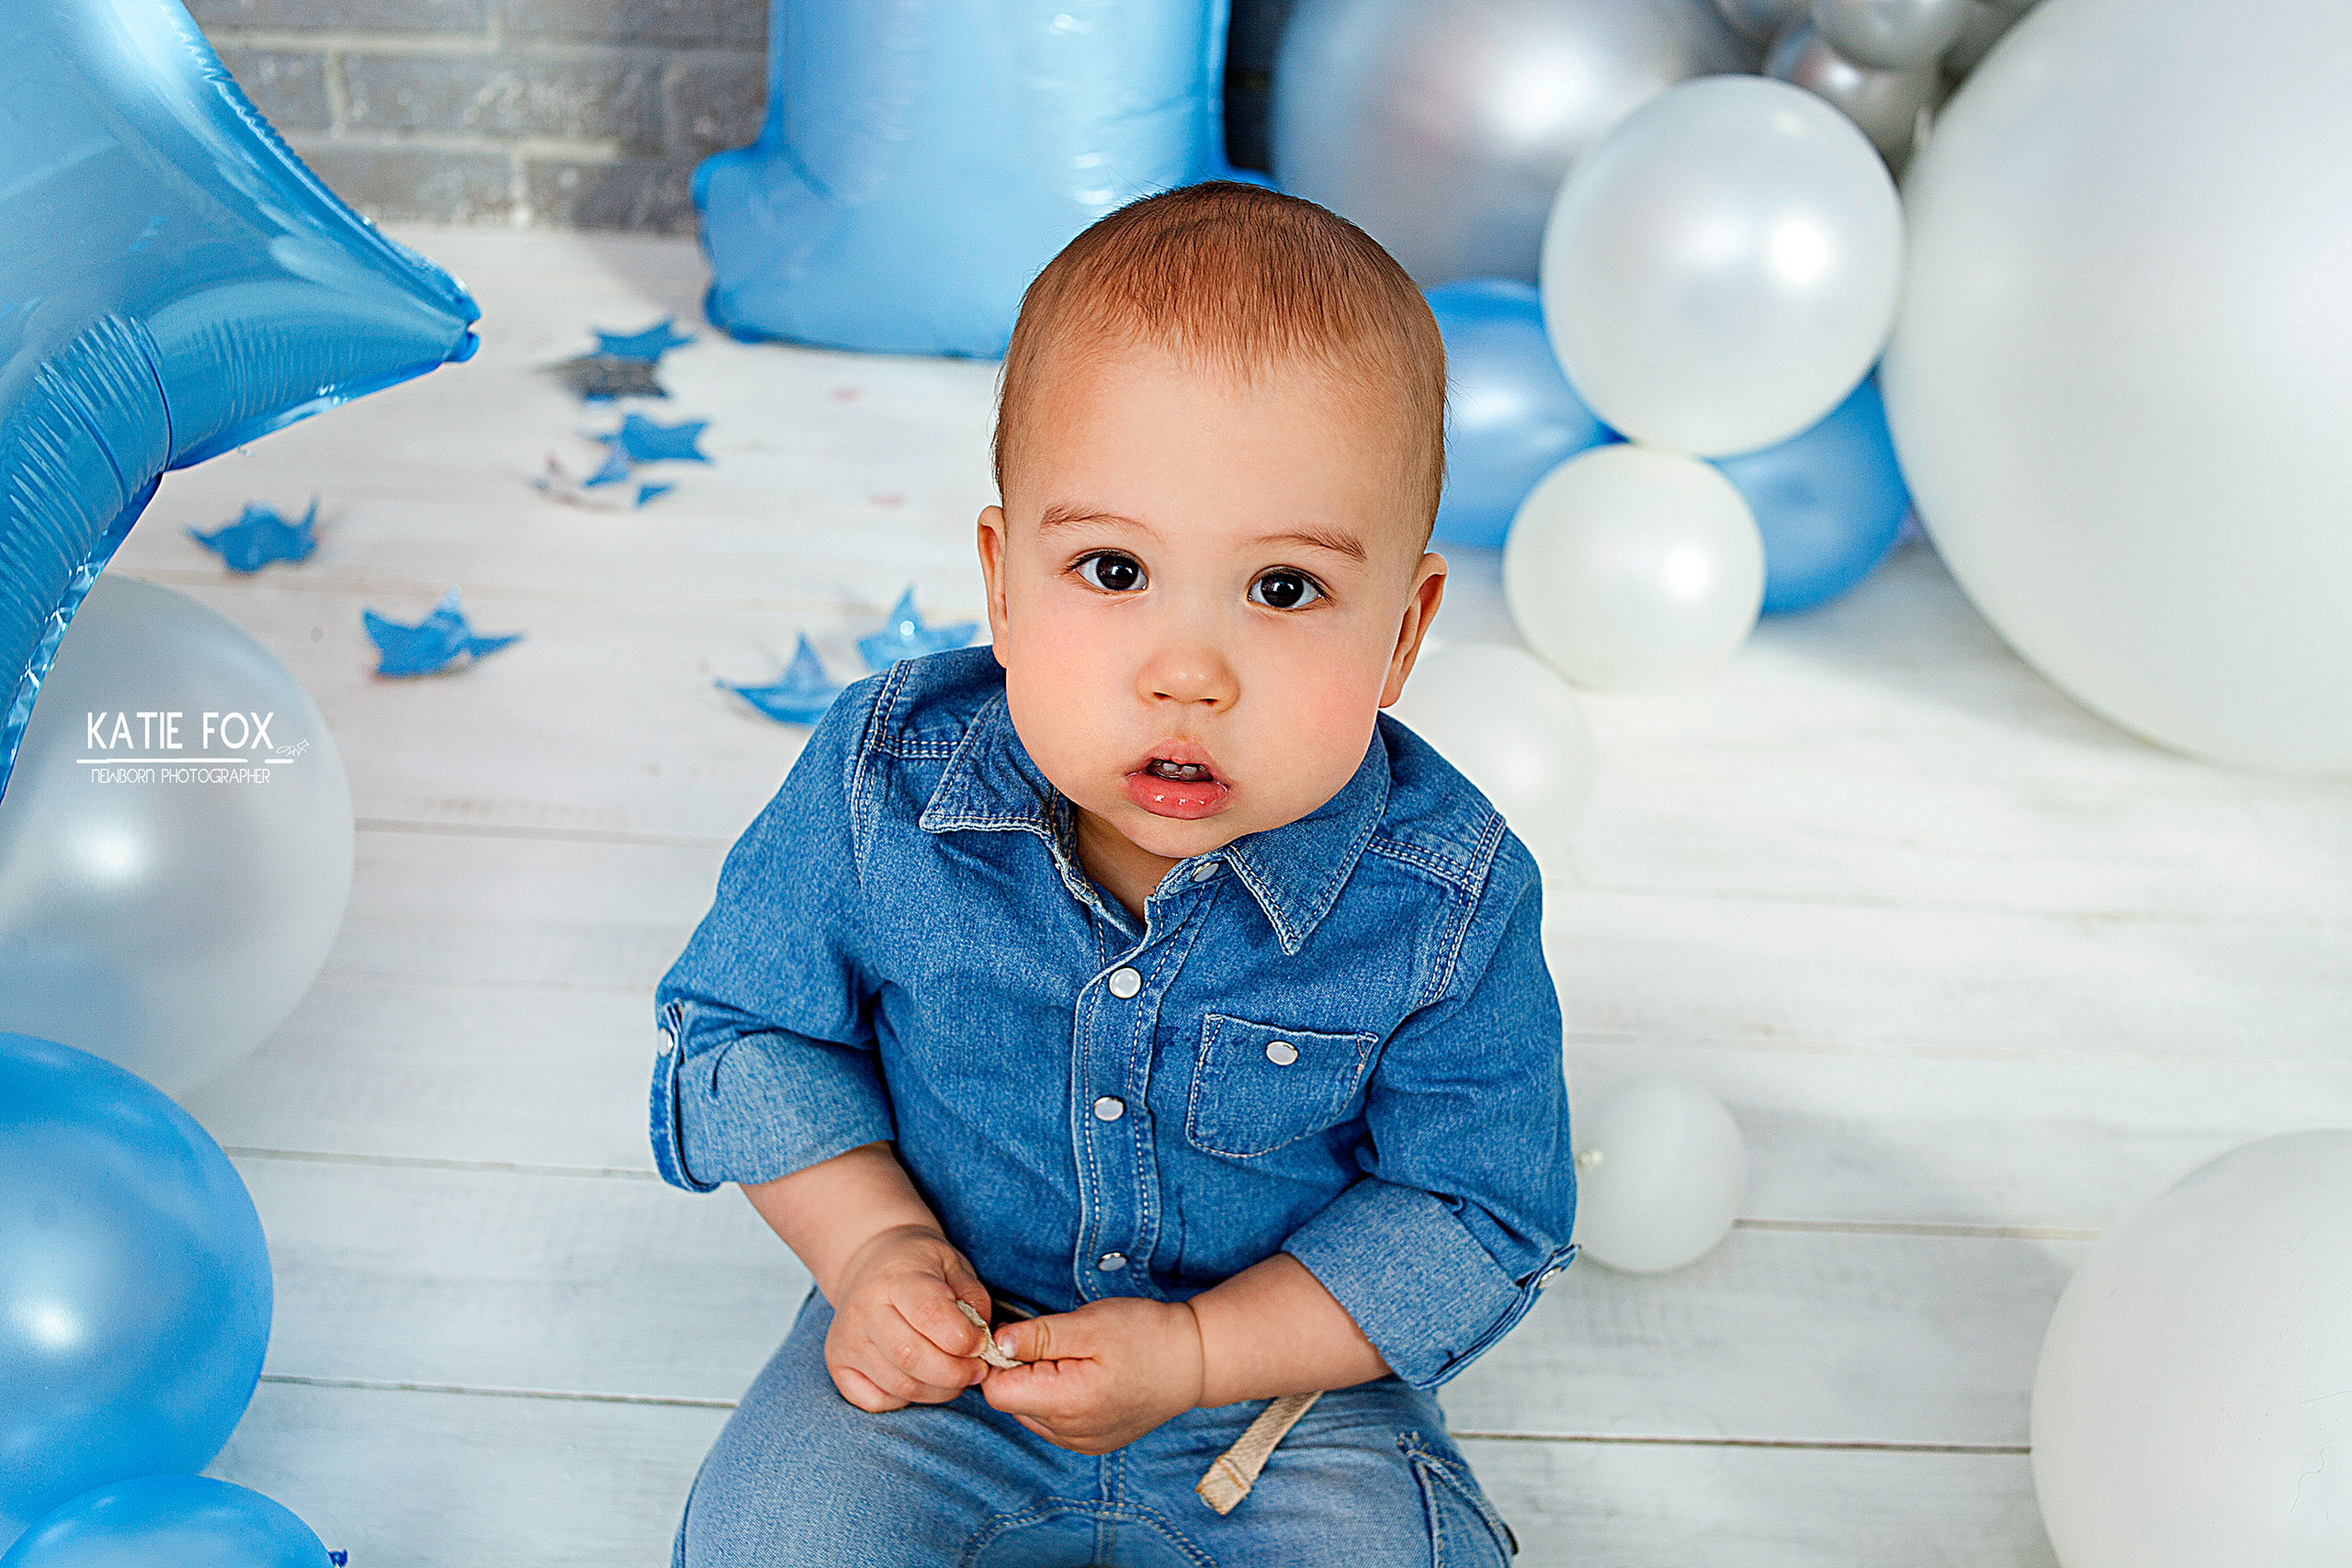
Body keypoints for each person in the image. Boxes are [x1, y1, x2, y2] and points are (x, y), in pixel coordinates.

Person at [650, 179, 1577, 1566]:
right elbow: (750, 1026)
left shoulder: (1443, 901)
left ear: (1405, 629)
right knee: (771, 1541)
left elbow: (1472, 1208)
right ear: (1005, 583)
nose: (1186, 673)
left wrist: (1202, 1350)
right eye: (1111, 567)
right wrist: (871, 1253)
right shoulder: (884, 787)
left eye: (1282, 590)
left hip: (1284, 1399)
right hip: (952, 1353)